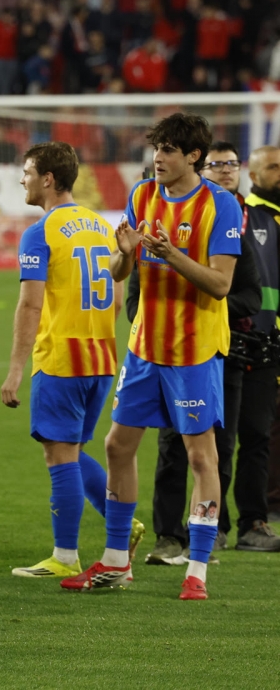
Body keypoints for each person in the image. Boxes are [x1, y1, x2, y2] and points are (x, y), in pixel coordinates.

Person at [64, 113, 240, 601]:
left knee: (200, 454)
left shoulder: (220, 206)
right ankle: (117, 561)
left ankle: (198, 569)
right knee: (117, 445)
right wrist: (125, 253)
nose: (158, 158)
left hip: (195, 349)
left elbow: (222, 284)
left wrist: (171, 255)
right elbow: (124, 269)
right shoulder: (142, 196)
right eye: (156, 148)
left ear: (193, 156)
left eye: (168, 150)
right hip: (145, 346)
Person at [0, 142, 146, 578]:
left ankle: (64, 557)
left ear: (47, 178)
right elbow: (117, 295)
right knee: (72, 449)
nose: (21, 179)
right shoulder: (99, 225)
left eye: (26, 172)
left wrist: (15, 369)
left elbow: (29, 306)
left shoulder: (40, 231)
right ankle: (122, 522)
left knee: (58, 455)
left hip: (61, 358)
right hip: (100, 358)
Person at [141, 143, 277, 559]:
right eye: (217, 164)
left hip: (234, 347)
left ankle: (237, 524)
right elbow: (137, 290)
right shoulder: (169, 214)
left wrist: (210, 313)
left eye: (231, 164)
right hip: (176, 348)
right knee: (175, 443)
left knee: (241, 439)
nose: (225, 172)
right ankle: (171, 533)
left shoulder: (239, 221)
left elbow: (248, 291)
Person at [245, 147, 280, 524]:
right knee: (261, 432)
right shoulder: (252, 218)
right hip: (259, 340)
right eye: (272, 167)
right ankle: (265, 509)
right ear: (253, 176)